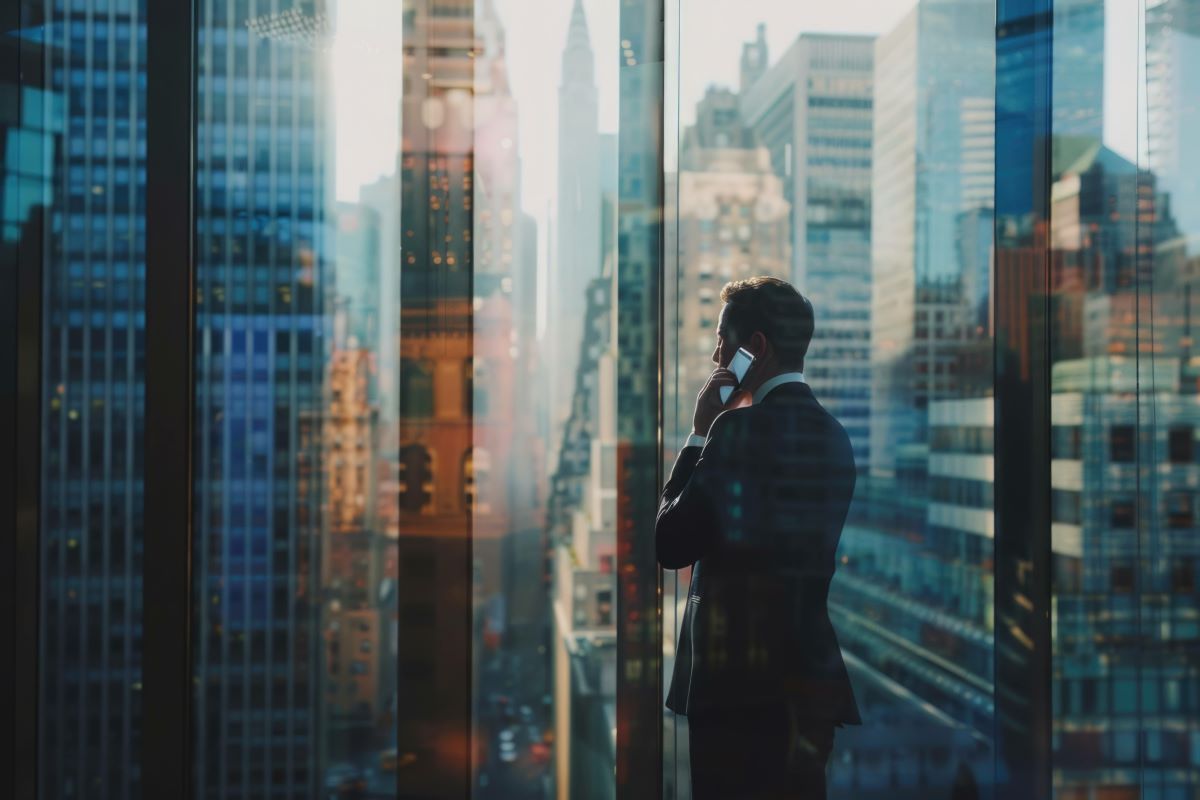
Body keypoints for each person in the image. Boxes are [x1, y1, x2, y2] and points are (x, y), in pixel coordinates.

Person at [657, 276, 860, 799]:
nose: (715, 356)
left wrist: (701, 431)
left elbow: (670, 543)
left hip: (736, 695)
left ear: (757, 348)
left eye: (723, 342)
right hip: (810, 689)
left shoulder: (736, 432)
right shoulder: (836, 438)